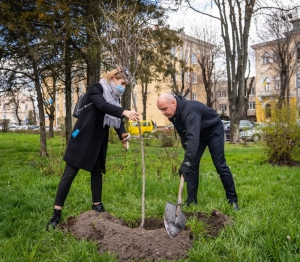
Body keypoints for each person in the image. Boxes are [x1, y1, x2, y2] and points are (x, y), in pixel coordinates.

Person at [47, 68, 140, 230]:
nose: (123, 87)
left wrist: (122, 135)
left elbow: (115, 117)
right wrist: (124, 111)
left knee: (97, 172)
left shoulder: (115, 99)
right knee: (70, 173)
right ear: (113, 78)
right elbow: (102, 105)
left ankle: (97, 205)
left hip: (99, 139)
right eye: (122, 83)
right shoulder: (96, 88)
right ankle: (57, 212)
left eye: (125, 84)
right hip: (82, 136)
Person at [157, 93, 238, 210]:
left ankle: (233, 201)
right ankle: (191, 201)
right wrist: (188, 160)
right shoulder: (173, 114)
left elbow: (193, 138)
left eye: (164, 109)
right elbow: (183, 134)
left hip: (213, 131)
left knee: (220, 165)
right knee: (192, 165)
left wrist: (186, 162)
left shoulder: (190, 112)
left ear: (173, 103)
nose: (163, 113)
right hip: (197, 133)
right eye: (161, 110)